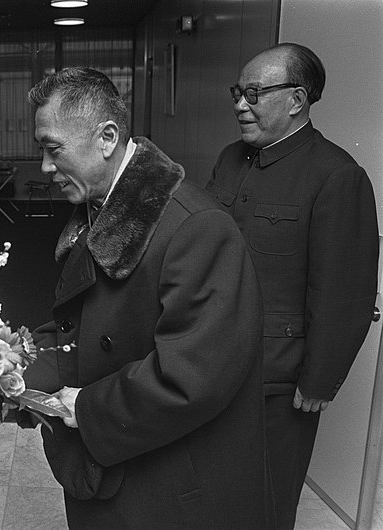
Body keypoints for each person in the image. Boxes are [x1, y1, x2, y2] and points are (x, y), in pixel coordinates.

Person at [21, 67, 273, 528]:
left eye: (53, 149)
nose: (44, 167)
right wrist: (9, 368)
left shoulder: (197, 228)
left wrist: (82, 408)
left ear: (107, 137)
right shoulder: (99, 207)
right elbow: (81, 330)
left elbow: (190, 379)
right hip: (120, 468)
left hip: (170, 488)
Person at [206, 43, 378, 529]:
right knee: (209, 490)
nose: (240, 103)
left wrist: (319, 379)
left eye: (254, 93)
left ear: (297, 100)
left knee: (267, 501)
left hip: (277, 379)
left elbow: (344, 292)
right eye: (238, 91)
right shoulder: (229, 159)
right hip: (212, 359)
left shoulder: (337, 176)